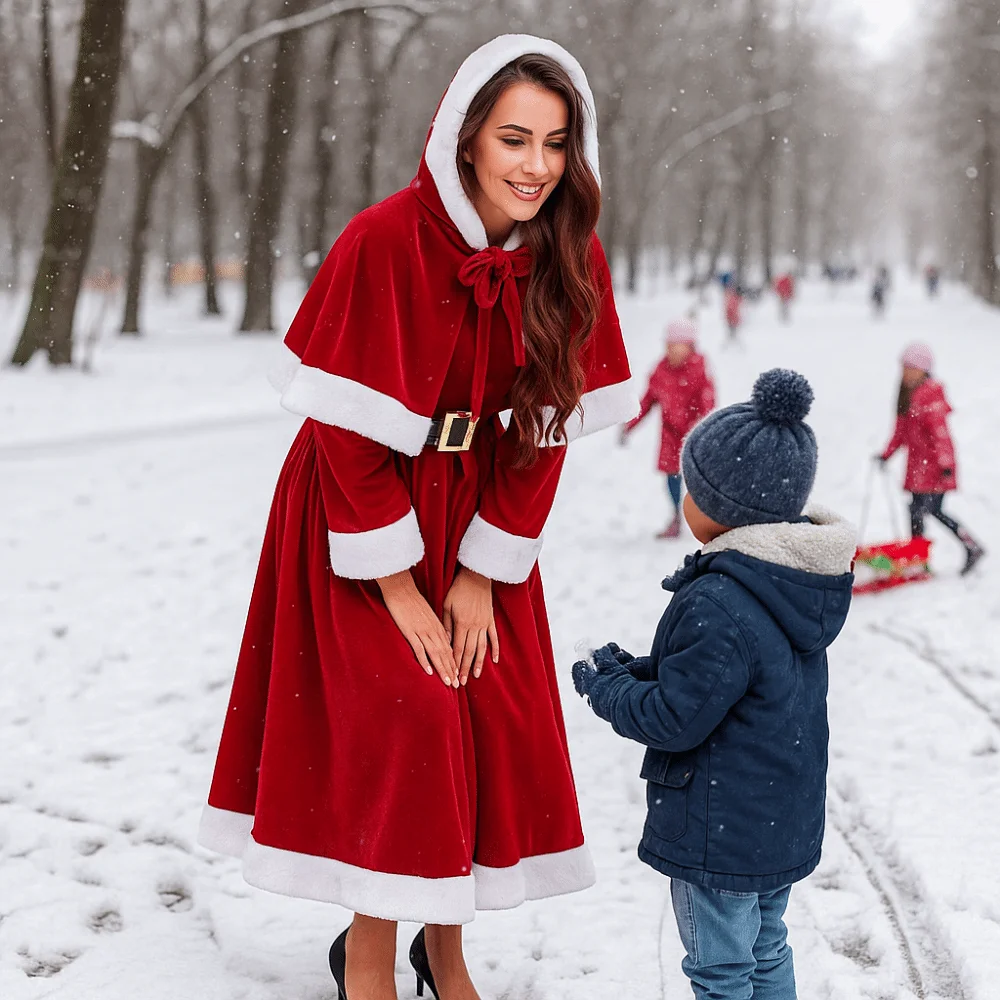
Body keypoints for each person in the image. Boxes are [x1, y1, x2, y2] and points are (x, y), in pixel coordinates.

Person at [197, 34, 636, 1000]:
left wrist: (481, 573)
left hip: (482, 510)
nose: (535, 167)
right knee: (412, 715)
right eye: (515, 139)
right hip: (360, 508)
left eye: (556, 144)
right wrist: (396, 583)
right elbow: (345, 433)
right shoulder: (383, 238)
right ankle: (365, 957)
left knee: (481, 710)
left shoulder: (569, 252)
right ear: (467, 137)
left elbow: (547, 432)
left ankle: (443, 947)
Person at [572, 369, 856, 1000]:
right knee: (765, 947)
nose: (684, 497)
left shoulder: (719, 601)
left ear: (726, 510)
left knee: (721, 970)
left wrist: (605, 690)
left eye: (692, 488)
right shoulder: (785, 583)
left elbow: (677, 716)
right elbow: (732, 681)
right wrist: (638, 668)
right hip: (775, 821)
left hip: (719, 831)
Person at [877, 343, 984, 575]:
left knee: (931, 510)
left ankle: (970, 546)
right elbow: (901, 432)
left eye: (911, 368)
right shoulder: (907, 395)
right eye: (904, 368)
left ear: (923, 370)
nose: (905, 373)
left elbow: (941, 435)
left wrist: (945, 465)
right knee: (916, 510)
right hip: (917, 467)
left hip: (935, 467)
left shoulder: (930, 395)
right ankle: (918, 560)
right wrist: (885, 455)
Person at [620, 319, 715, 538]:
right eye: (668, 344)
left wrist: (705, 431)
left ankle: (705, 520)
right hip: (671, 436)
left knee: (697, 479)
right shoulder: (661, 369)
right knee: (672, 478)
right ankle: (676, 516)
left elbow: (708, 403)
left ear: (690, 346)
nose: (670, 349)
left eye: (675, 344)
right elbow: (647, 401)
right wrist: (630, 425)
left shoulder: (699, 369)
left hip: (693, 436)